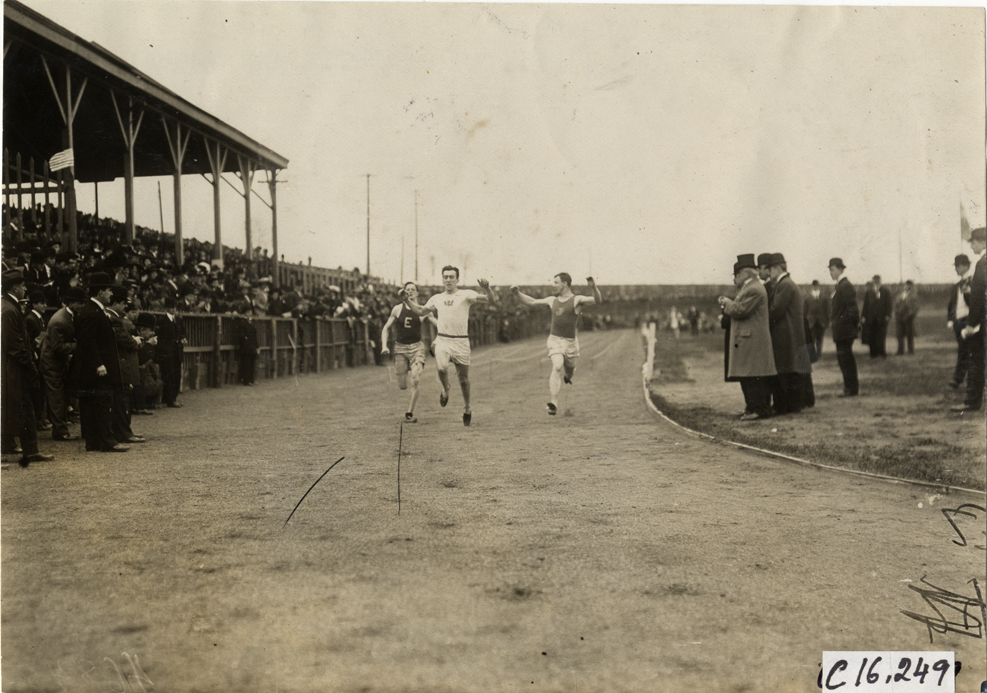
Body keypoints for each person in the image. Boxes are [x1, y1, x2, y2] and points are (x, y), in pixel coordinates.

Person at [400, 266, 496, 426]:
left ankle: (467, 408)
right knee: (442, 368)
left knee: (464, 380)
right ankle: (446, 389)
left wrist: (487, 288)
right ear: (442, 279)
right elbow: (422, 311)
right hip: (443, 340)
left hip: (461, 342)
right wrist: (406, 300)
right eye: (446, 277)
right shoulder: (436, 298)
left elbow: (490, 300)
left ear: (457, 279)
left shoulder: (466, 294)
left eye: (452, 277)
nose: (448, 280)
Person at [510, 274, 603, 415]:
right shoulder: (552, 300)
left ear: (564, 284)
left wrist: (593, 287)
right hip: (555, 340)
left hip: (571, 343)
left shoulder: (576, 299)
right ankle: (553, 402)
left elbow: (597, 300)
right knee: (557, 365)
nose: (553, 285)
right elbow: (532, 301)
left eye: (556, 282)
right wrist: (517, 293)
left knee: (570, 371)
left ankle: (568, 377)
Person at [68, 272, 129, 453]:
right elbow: (88, 340)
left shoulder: (93, 310)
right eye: (109, 291)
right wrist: (98, 364)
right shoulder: (92, 312)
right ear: (101, 292)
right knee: (102, 402)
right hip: (96, 367)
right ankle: (107, 441)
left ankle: (94, 441)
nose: (111, 294)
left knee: (93, 403)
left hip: (94, 366)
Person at [1, 270, 54, 466]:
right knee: (25, 409)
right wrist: (31, 367)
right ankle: (31, 451)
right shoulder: (8, 310)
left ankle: (23, 448)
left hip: (13, 368)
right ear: (15, 287)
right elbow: (16, 347)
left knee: (18, 409)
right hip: (15, 369)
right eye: (23, 286)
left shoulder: (8, 306)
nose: (25, 289)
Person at [718, 254, 777, 421]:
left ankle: (758, 409)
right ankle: (752, 408)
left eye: (737, 274)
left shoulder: (754, 289)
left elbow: (741, 310)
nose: (735, 278)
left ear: (745, 273)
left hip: (752, 340)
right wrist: (730, 303)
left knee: (753, 377)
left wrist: (726, 304)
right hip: (748, 339)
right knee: (749, 377)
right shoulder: (751, 287)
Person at [380, 281, 438, 422]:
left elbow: (439, 325)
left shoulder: (423, 310)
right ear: (404, 293)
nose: (410, 292)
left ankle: (409, 413)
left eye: (413, 290)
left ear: (417, 293)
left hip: (416, 347)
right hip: (400, 348)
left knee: (416, 379)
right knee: (402, 385)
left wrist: (441, 339)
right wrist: (384, 346)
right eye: (408, 290)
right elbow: (386, 328)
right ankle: (403, 376)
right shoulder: (397, 309)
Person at [38, 286, 86, 441]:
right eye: (80, 303)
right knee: (57, 397)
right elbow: (58, 347)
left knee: (60, 397)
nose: (82, 306)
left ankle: (61, 429)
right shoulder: (59, 320)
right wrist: (79, 346)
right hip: (51, 364)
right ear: (71, 303)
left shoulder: (70, 316)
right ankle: (60, 432)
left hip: (58, 363)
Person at [766, 253, 810, 414]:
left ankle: (782, 406)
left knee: (784, 372)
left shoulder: (784, 285)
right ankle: (792, 406)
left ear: (778, 268)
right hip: (791, 335)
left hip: (785, 336)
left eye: (770, 268)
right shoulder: (790, 284)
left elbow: (775, 311)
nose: (769, 272)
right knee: (791, 371)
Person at [952, 227, 986, 413]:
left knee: (975, 361)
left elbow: (979, 297)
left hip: (981, 323)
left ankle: (972, 402)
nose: (971, 245)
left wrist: (971, 325)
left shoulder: (982, 263)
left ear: (982, 242)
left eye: (973, 242)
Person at [106, 287, 145, 444]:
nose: (125, 308)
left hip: (120, 363)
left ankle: (124, 431)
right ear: (116, 304)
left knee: (122, 401)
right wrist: (135, 341)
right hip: (120, 363)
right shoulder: (114, 319)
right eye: (123, 304)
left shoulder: (116, 318)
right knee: (122, 401)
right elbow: (123, 340)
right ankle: (124, 432)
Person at [829, 258, 860, 397]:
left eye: (833, 269)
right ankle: (849, 388)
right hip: (842, 331)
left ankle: (851, 388)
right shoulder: (840, 285)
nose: (831, 273)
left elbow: (852, 309)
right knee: (844, 360)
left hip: (844, 331)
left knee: (846, 360)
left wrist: (845, 324)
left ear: (841, 270)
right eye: (830, 270)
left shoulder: (845, 285)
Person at [947, 254, 973, 389]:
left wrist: (968, 293)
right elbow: (951, 304)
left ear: (965, 266)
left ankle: (957, 380)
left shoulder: (973, 282)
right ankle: (966, 378)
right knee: (965, 351)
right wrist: (950, 320)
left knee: (964, 350)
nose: (956, 269)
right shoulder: (956, 285)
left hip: (968, 322)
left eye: (957, 266)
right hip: (958, 322)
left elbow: (976, 304)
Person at [155, 298, 186, 408]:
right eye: (170, 307)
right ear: (166, 308)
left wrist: (183, 339)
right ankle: (169, 399)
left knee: (177, 375)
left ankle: (174, 397)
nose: (173, 309)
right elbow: (160, 338)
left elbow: (183, 333)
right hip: (167, 353)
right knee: (169, 376)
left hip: (177, 352)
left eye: (174, 307)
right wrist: (165, 350)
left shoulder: (179, 320)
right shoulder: (161, 321)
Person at [861, 274, 892, 358]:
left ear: (880, 281)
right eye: (874, 281)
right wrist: (863, 316)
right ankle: (873, 354)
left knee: (881, 336)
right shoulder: (869, 292)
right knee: (872, 336)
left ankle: (882, 353)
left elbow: (889, 304)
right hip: (871, 318)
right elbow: (865, 305)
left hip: (882, 318)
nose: (876, 283)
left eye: (877, 281)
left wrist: (888, 315)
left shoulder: (886, 291)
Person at [804, 279, 830, 361]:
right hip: (811, 321)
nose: (815, 287)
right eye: (814, 285)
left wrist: (827, 321)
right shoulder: (807, 298)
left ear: (818, 286)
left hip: (821, 321)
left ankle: (819, 353)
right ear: (812, 286)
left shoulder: (824, 297)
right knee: (812, 338)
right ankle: (812, 354)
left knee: (820, 338)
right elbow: (804, 310)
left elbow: (827, 310)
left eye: (817, 285)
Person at [893, 280, 919, 356]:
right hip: (899, 318)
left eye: (908, 285)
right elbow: (895, 305)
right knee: (899, 335)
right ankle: (900, 351)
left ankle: (910, 351)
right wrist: (896, 313)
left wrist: (909, 316)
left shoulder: (913, 296)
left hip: (908, 319)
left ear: (911, 287)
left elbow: (915, 308)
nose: (906, 287)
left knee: (909, 335)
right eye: (905, 285)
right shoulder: (900, 295)